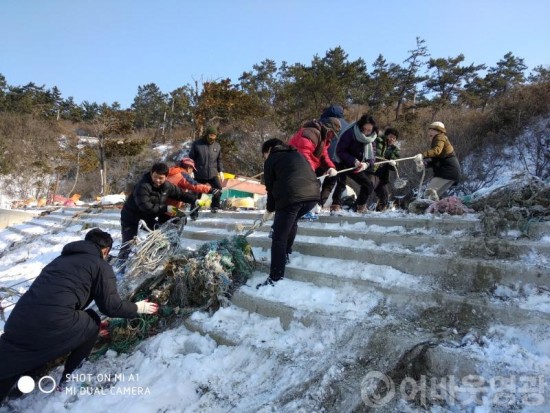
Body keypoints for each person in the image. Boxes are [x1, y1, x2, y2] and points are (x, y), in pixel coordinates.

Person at [0, 228, 158, 402]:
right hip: (53, 321)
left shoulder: (59, 260)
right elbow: (111, 307)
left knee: (14, 358)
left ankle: (17, 388)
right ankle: (68, 376)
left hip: (19, 319)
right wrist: (138, 307)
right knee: (92, 322)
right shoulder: (100, 265)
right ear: (105, 251)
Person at [257, 138, 320, 288]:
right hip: (312, 197)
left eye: (264, 154)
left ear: (268, 150)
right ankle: (285, 254)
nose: (264, 157)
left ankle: (275, 278)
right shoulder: (297, 154)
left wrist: (269, 210)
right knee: (291, 222)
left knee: (278, 237)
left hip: (291, 197)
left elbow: (270, 188)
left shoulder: (271, 160)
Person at [119, 162, 197, 262]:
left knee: (162, 233)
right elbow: (147, 207)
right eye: (155, 177)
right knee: (128, 242)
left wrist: (195, 200)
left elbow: (180, 194)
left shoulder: (167, 186)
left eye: (161, 178)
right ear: (151, 173)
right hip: (131, 217)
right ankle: (121, 265)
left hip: (147, 217)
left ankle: (154, 258)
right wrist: (166, 208)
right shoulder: (142, 186)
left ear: (166, 177)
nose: (158, 180)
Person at [288, 117, 341, 210]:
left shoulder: (323, 138)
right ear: (328, 129)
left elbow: (323, 155)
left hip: (302, 165)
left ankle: (306, 208)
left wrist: (330, 167)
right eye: (332, 133)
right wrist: (309, 170)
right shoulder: (311, 133)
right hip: (293, 164)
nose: (332, 136)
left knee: (314, 186)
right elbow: (304, 152)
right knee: (308, 186)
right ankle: (298, 209)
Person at [333, 114, 378, 213]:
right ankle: (335, 205)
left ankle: (359, 206)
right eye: (364, 129)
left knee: (368, 184)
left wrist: (367, 164)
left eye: (369, 130)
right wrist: (354, 161)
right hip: (344, 161)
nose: (366, 132)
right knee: (341, 183)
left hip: (360, 164)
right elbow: (340, 151)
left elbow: (373, 155)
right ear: (360, 126)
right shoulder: (351, 133)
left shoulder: (372, 137)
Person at [414, 121, 461, 201]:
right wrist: (425, 164)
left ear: (439, 131)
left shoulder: (440, 137)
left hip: (447, 172)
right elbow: (437, 160)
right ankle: (432, 212)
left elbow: (436, 151)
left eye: (433, 130)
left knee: (428, 195)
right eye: (429, 130)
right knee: (432, 199)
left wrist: (422, 155)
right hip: (453, 173)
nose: (430, 132)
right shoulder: (439, 140)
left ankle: (423, 211)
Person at [320, 105, 351, 214]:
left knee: (315, 180)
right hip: (339, 158)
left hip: (321, 156)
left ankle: (316, 204)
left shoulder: (322, 121)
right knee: (335, 181)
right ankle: (335, 204)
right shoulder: (348, 126)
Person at [188, 125, 224, 212]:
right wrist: (191, 170)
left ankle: (215, 206)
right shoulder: (197, 144)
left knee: (218, 189)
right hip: (199, 173)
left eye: (214, 135)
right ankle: (194, 211)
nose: (212, 137)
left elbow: (219, 160)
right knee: (196, 193)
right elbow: (191, 158)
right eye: (211, 135)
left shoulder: (217, 146)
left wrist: (221, 171)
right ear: (207, 134)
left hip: (212, 173)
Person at [372, 128, 401, 211]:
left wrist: (393, 162)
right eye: (390, 136)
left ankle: (379, 211)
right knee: (367, 188)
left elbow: (396, 163)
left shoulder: (395, 150)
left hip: (382, 176)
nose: (391, 139)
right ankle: (357, 208)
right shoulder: (378, 142)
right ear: (386, 136)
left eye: (394, 138)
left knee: (384, 196)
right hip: (373, 172)